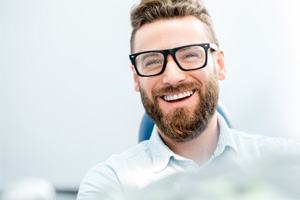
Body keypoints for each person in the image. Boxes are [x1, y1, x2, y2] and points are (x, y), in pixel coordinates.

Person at [77, 0, 299, 199]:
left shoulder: (288, 164)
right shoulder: (110, 184)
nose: (172, 77)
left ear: (219, 65)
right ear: (136, 78)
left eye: (190, 55)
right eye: (152, 61)